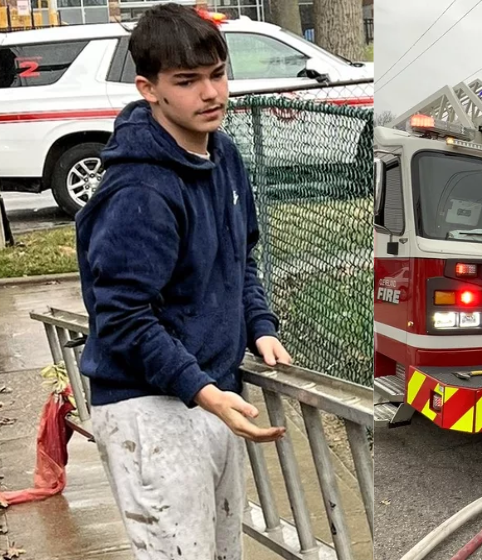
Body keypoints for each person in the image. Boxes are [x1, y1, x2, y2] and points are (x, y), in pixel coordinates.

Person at [75, 5, 292, 559]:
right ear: (149, 89)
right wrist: (199, 389)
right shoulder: (138, 193)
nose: (211, 93)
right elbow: (122, 317)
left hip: (212, 391)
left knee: (224, 552)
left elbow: (240, 257)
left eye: (217, 73)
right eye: (188, 81)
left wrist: (258, 324)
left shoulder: (223, 155)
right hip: (149, 409)